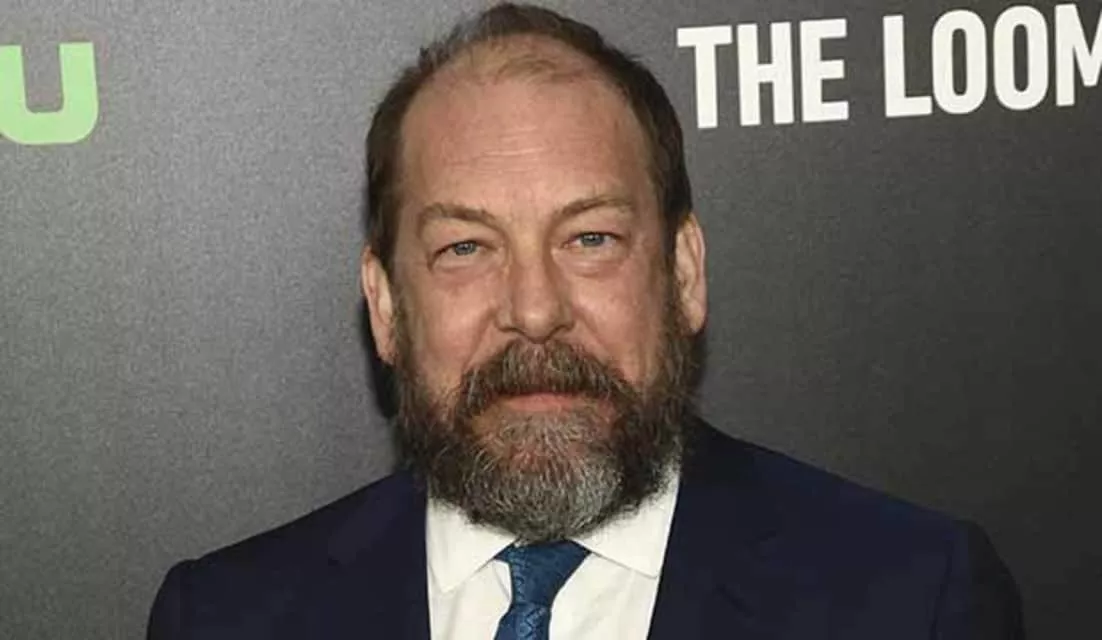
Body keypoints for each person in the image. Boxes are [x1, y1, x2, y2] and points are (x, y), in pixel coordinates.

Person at [147, 3, 1023, 638]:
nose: (535, 311)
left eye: (590, 238)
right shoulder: (224, 618)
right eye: (465, 247)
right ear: (384, 305)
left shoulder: (911, 601)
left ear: (683, 274)